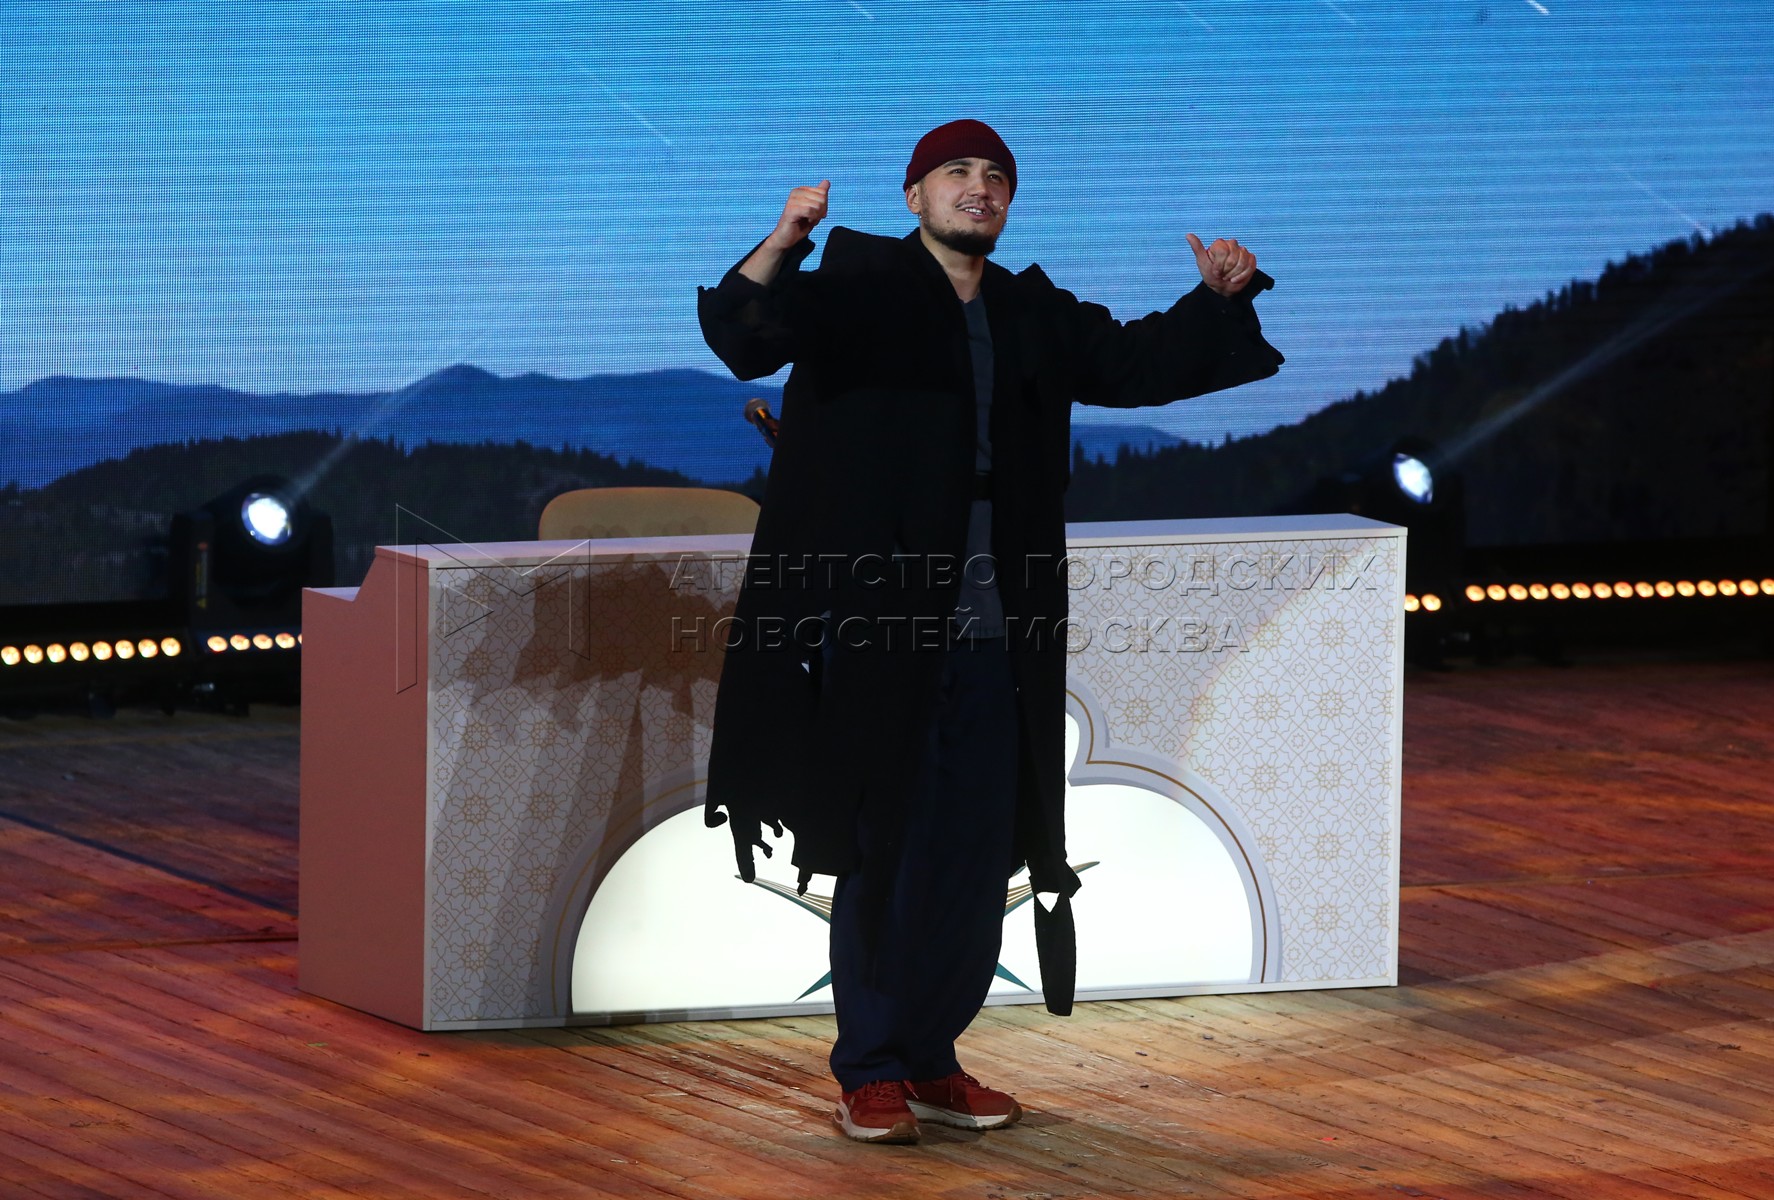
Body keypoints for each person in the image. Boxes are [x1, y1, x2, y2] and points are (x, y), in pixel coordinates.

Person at [697, 119, 1281, 1143]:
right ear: (914, 195)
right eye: (957, 172)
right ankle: (870, 1066)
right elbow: (744, 335)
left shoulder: (1028, 310)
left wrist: (1218, 300)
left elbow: (1137, 362)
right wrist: (785, 238)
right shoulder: (858, 290)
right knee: (883, 844)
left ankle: (932, 1055)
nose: (981, 188)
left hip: (999, 618)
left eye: (997, 177)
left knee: (976, 850)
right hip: (880, 614)